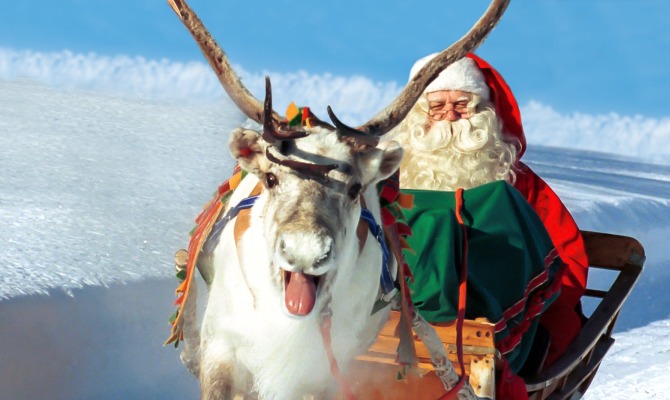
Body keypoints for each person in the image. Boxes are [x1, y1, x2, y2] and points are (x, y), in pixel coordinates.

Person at [389, 53, 589, 398]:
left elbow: (564, 258)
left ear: (483, 110)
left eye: (461, 105)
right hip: (396, 316)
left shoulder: (515, 181)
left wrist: (533, 306)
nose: (450, 116)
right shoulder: (390, 177)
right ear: (417, 113)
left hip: (488, 323)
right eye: (437, 106)